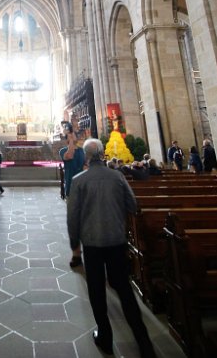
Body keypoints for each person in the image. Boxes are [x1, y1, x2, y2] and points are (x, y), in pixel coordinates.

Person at [67, 138, 156, 358]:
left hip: (92, 243)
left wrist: (74, 244)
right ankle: (144, 342)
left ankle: (105, 337)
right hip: (116, 240)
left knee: (96, 289)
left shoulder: (79, 181)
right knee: (124, 289)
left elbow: (73, 217)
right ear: (101, 155)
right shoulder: (117, 177)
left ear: (87, 157)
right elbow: (133, 205)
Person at [59, 122, 85, 197]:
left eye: (73, 134)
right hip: (71, 183)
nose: (72, 135)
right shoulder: (63, 151)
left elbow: (86, 165)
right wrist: (71, 141)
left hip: (82, 183)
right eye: (70, 136)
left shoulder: (82, 150)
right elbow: (70, 156)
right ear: (66, 140)